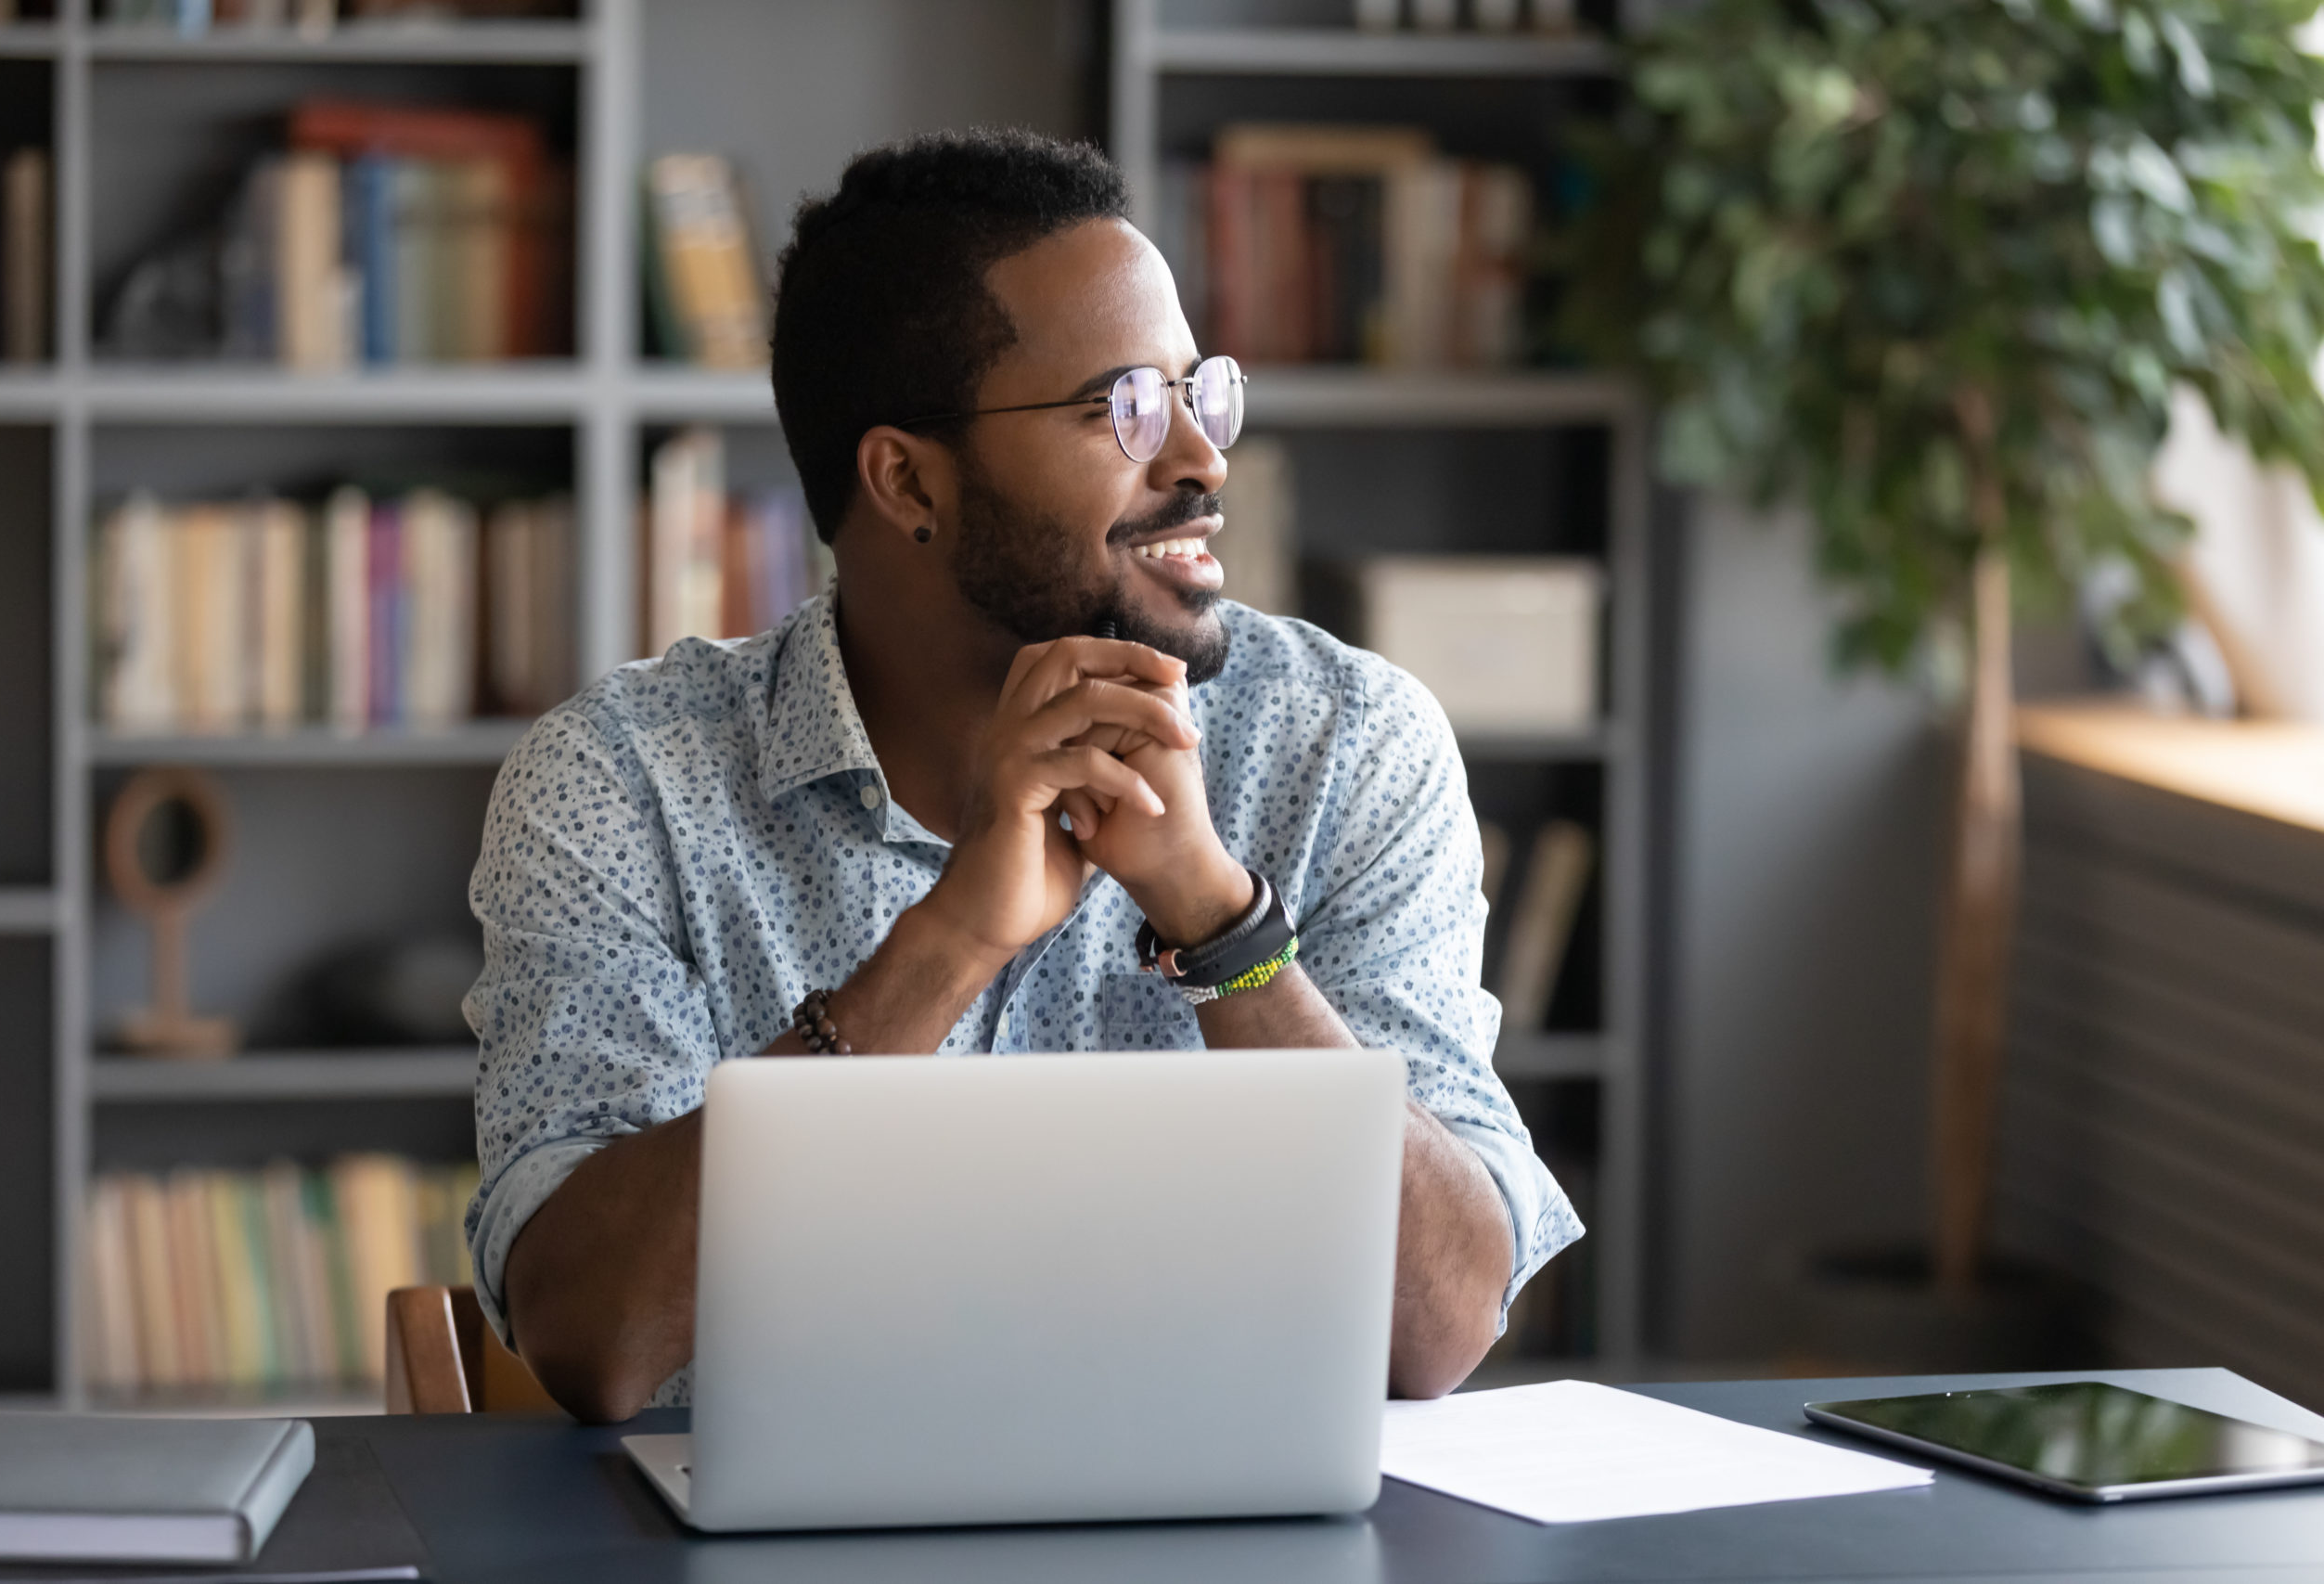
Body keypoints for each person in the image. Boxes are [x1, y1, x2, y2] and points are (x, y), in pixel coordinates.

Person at [464, 129, 1584, 1423]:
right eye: (1123, 409)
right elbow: (593, 1341)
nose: (1201, 463)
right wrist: (945, 946)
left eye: (1196, 395)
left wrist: (1223, 928)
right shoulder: (624, 783)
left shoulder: (1347, 743)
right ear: (907, 480)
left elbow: (1440, 1328)